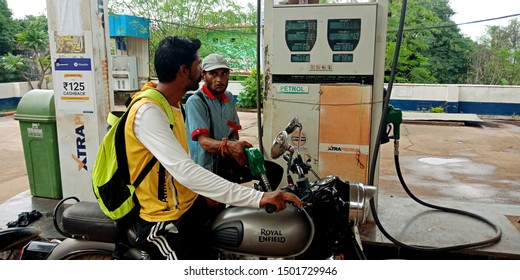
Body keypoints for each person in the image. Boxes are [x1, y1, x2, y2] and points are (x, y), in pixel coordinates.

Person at [123, 36, 301, 260]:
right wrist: (258, 198)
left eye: (222, 72)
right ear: (183, 71)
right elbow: (185, 169)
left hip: (186, 204)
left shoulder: (172, 104)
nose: (203, 72)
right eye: (199, 66)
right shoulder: (149, 111)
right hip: (161, 218)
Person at [185, 53, 284, 190]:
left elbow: (233, 133)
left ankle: (253, 205)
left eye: (224, 73)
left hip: (226, 163)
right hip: (207, 169)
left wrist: (238, 148)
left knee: (273, 172)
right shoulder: (196, 102)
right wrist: (231, 147)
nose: (219, 79)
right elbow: (204, 143)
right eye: (213, 74)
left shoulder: (229, 98)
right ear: (203, 75)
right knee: (216, 207)